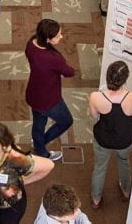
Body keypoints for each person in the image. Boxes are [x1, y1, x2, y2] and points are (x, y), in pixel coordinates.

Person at [89, 61, 132, 209]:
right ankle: (126, 192)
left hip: (103, 139)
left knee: (100, 167)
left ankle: (96, 200)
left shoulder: (95, 97)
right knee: (124, 162)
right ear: (125, 79)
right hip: (125, 140)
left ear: (107, 76)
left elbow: (94, 116)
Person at [26, 19, 75, 162]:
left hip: (33, 94)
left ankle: (39, 145)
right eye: (58, 35)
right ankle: (40, 146)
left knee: (38, 122)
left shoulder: (32, 42)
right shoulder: (52, 58)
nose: (61, 36)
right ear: (48, 39)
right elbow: (69, 72)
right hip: (49, 100)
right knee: (66, 121)